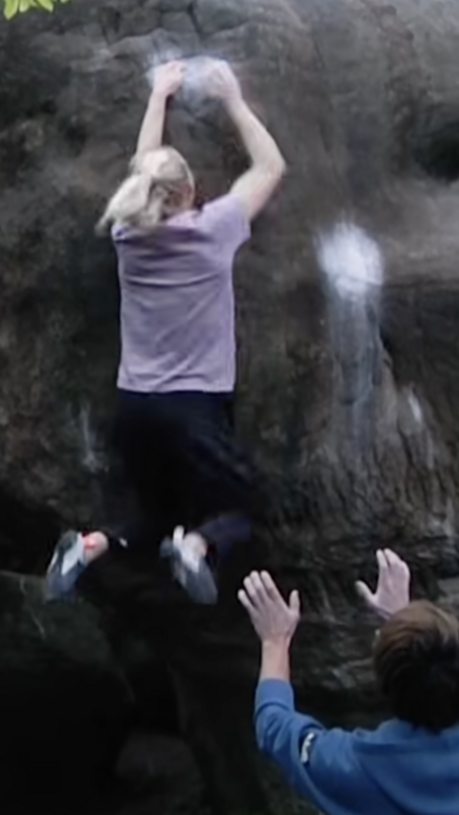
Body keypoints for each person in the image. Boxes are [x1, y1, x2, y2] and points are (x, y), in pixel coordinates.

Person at [44, 56, 286, 605]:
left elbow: (142, 172)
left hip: (135, 405)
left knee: (155, 512)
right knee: (242, 508)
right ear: (188, 193)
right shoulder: (214, 230)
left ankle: (89, 545)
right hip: (194, 407)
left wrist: (159, 96)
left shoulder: (128, 235)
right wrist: (233, 100)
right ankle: (197, 547)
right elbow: (269, 168)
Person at [237, 549, 459, 815]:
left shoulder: (360, 767)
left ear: (385, 686)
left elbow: (273, 725)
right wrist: (401, 620)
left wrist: (276, 640)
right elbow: (456, 672)